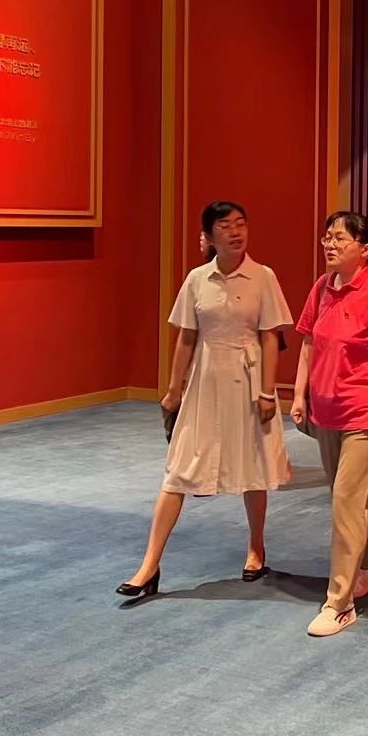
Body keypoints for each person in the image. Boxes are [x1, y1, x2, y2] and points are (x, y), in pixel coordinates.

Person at [118, 201, 292, 599]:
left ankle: (256, 547)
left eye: (241, 224)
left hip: (248, 380)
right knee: (178, 469)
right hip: (205, 380)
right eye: (225, 226)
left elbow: (269, 338)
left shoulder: (263, 276)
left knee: (253, 467)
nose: (235, 232)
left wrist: (268, 391)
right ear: (209, 236)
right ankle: (149, 565)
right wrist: (173, 389)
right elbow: (187, 337)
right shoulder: (197, 279)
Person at [291, 210, 368, 638]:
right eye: (328, 237)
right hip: (327, 412)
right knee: (352, 501)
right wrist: (299, 394)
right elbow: (309, 342)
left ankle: (339, 603)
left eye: (340, 238)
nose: (330, 244)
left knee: (346, 500)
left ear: (365, 249)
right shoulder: (322, 287)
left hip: (363, 413)